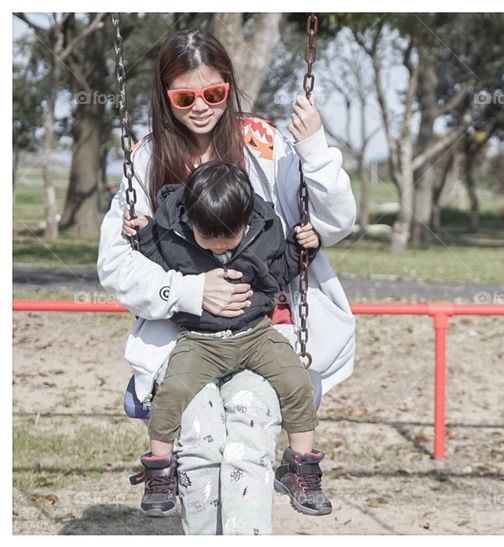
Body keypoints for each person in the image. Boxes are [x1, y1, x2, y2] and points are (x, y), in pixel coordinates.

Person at [97, 29, 356, 534]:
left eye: (213, 94)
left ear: (229, 86)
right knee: (197, 443)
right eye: (184, 97)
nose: (200, 107)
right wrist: (192, 290)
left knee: (248, 442)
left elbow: (337, 220)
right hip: (183, 339)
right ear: (165, 96)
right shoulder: (147, 159)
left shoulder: (263, 144)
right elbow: (115, 263)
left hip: (265, 330)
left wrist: (315, 149)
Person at [123, 161, 329, 517]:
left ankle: (300, 468)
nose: (218, 244)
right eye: (209, 237)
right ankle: (160, 469)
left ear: (246, 218)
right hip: (200, 340)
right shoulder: (170, 233)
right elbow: (155, 256)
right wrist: (142, 235)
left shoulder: (265, 231)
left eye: (227, 237)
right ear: (189, 219)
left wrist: (302, 248)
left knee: (297, 381)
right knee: (172, 391)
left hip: (255, 334)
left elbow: (278, 271)